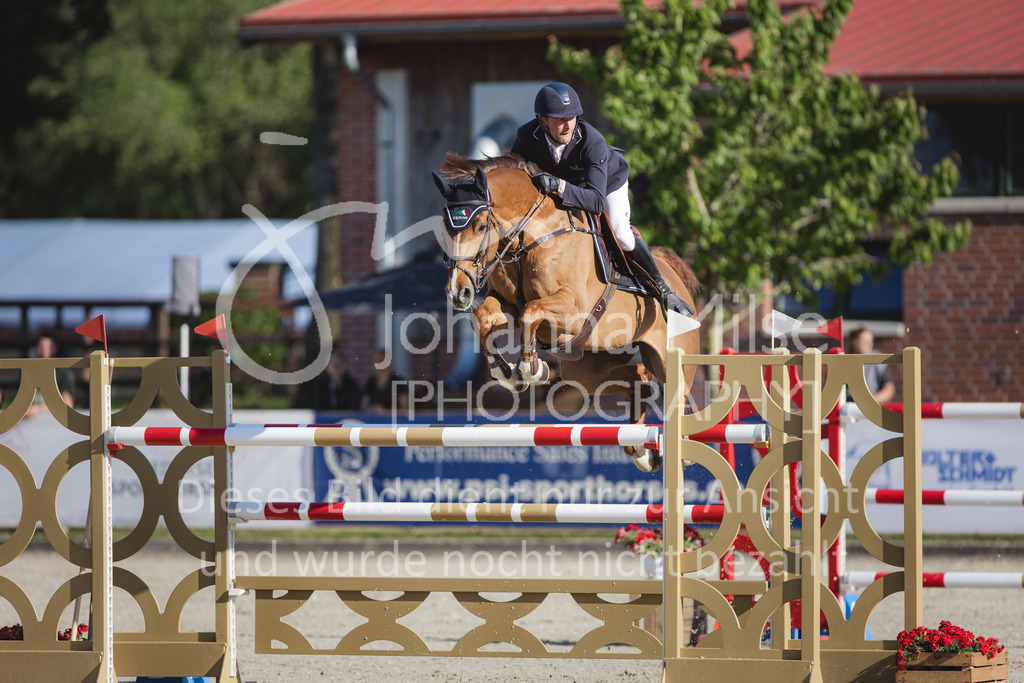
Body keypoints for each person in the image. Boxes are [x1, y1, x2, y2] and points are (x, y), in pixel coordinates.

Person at [511, 82, 693, 317]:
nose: (567, 125)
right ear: (542, 120)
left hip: (606, 184)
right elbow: (513, 173)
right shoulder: (526, 136)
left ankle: (663, 289)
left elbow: (596, 202)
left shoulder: (592, 141)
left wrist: (559, 185)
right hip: (565, 188)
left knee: (620, 232)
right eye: (559, 119)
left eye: (572, 117)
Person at [26, 335, 75, 418]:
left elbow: (68, 404)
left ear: (55, 348)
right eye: (41, 346)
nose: (44, 350)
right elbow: (23, 403)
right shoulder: (30, 372)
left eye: (48, 346)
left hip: (56, 422)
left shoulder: (64, 372)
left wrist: (39, 409)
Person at [849, 328, 895, 402]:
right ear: (853, 341)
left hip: (870, 403)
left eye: (870, 341)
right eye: (863, 341)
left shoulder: (878, 360)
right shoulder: (843, 359)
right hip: (848, 406)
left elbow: (889, 388)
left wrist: (871, 402)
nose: (868, 344)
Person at [361, 349, 409, 414]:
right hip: (373, 420)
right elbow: (363, 406)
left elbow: (406, 409)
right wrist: (372, 409)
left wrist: (385, 411)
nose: (378, 363)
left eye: (381, 360)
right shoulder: (371, 383)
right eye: (376, 361)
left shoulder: (399, 383)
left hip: (394, 421)